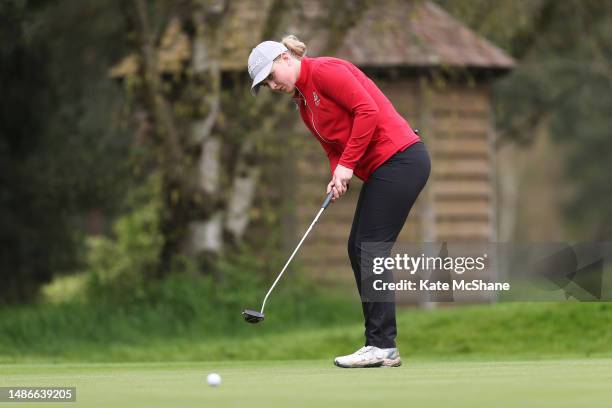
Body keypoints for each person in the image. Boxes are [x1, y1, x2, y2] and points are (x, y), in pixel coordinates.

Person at [247, 35, 431, 368]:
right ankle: (379, 344)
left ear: (285, 58)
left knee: (370, 247)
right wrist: (337, 173)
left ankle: (382, 345)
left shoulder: (326, 71)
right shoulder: (304, 106)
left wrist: (348, 166)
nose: (272, 86)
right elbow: (333, 146)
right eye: (266, 84)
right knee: (358, 248)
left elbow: (367, 111)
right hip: (382, 169)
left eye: (272, 76)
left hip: (402, 158)